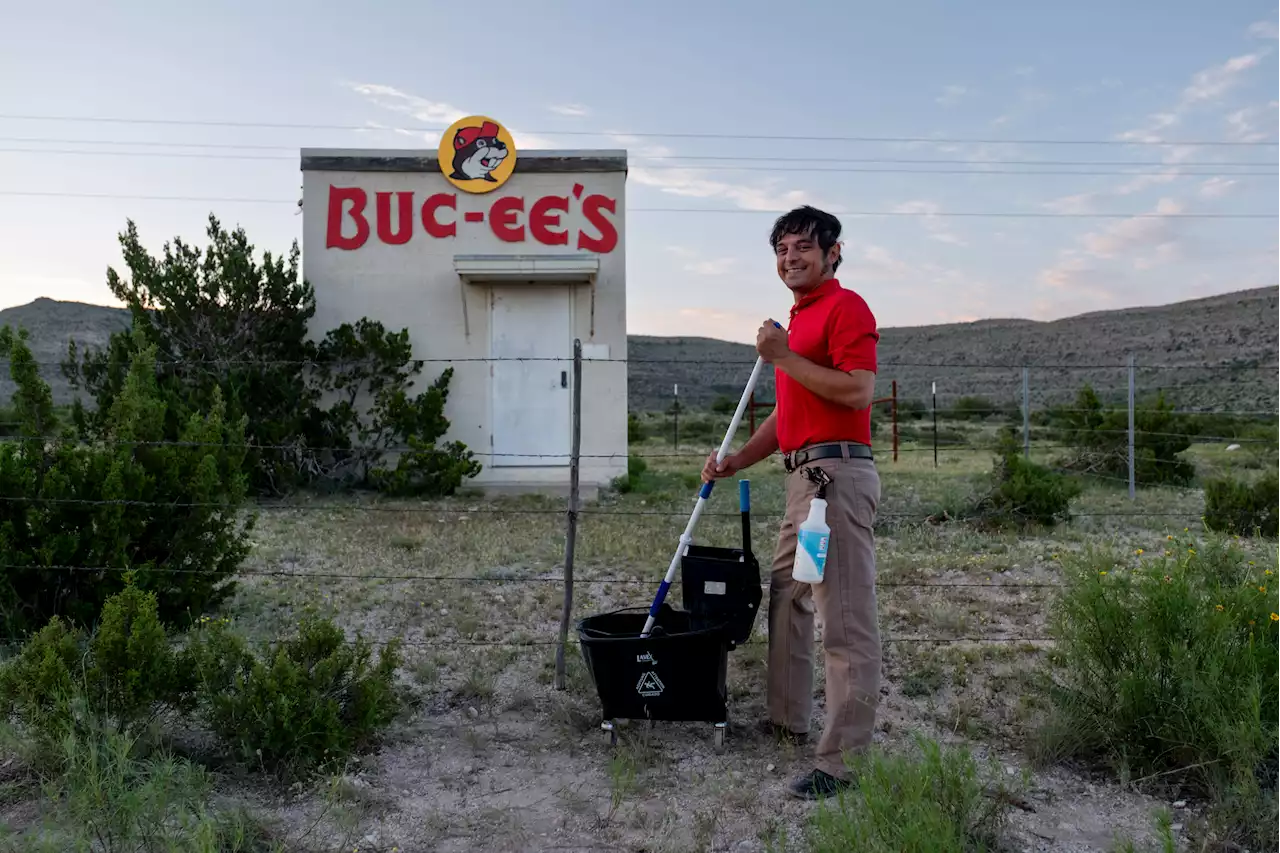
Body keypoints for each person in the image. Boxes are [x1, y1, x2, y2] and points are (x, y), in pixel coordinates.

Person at [700, 205, 882, 800]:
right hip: (802, 480)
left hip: (837, 478)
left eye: (803, 246)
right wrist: (734, 462)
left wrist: (781, 358)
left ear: (833, 253)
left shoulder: (845, 308)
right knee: (788, 594)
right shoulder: (796, 323)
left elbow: (858, 390)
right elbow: (786, 417)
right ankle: (786, 721)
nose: (789, 258)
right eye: (781, 249)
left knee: (845, 619)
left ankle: (842, 763)